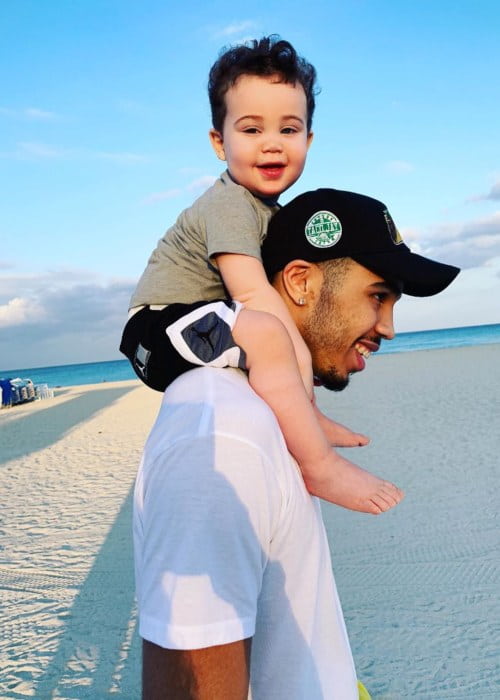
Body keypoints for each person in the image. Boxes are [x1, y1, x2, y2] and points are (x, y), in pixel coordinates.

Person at [133, 187, 460, 699]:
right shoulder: (221, 433)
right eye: (378, 296)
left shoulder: (264, 414)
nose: (390, 329)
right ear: (301, 282)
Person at [121, 36, 403, 515]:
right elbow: (251, 292)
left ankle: (308, 419)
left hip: (196, 321)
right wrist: (297, 357)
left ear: (308, 140)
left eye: (288, 130)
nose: (272, 142)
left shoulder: (268, 211)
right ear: (218, 141)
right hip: (158, 329)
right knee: (269, 333)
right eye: (251, 130)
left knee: (267, 336)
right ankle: (319, 465)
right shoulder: (230, 203)